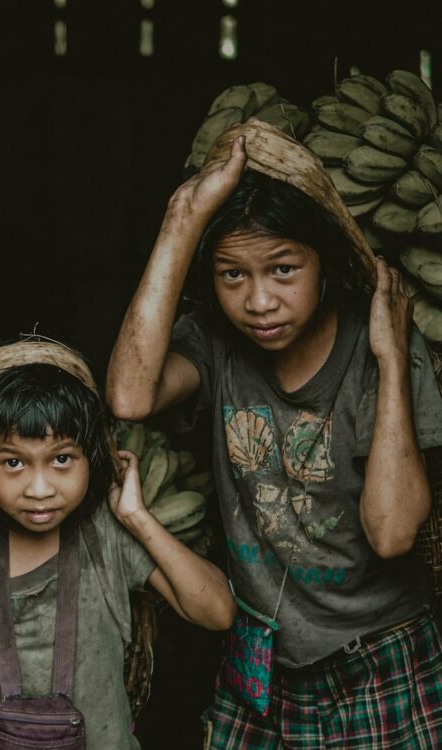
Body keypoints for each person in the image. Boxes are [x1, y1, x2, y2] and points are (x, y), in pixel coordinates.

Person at [107, 123, 442, 748]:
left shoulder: (380, 351)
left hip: (381, 657)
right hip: (261, 661)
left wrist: (392, 361)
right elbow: (129, 394)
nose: (260, 301)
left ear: (325, 261)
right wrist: (182, 220)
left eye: (284, 269)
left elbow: (394, 534)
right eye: (232, 275)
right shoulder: (213, 344)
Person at [0, 341, 235, 749]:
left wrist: (138, 518)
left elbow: (217, 613)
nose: (39, 490)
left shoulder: (106, 533)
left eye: (61, 459)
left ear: (91, 457)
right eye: (13, 462)